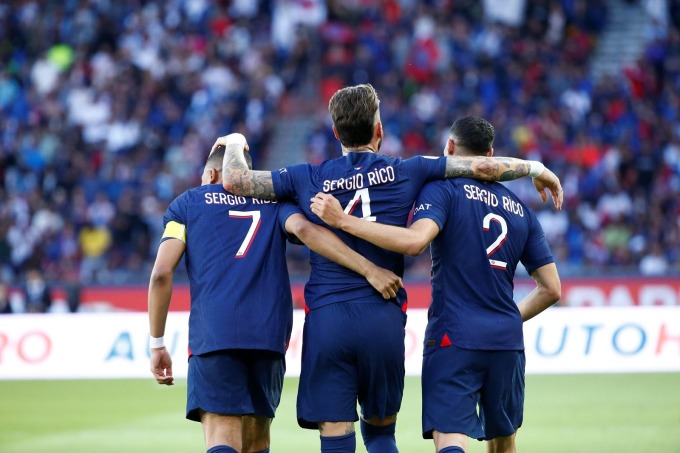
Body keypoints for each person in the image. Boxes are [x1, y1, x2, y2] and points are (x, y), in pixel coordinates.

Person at [215, 84, 562, 453]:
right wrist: (535, 168)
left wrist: (235, 142)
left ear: (335, 133)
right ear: (379, 130)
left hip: (329, 318)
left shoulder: (305, 177)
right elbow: (482, 167)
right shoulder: (408, 171)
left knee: (335, 433)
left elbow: (236, 181)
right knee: (381, 434)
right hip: (383, 317)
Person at [310, 116, 562, 453]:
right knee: (504, 443)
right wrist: (508, 318)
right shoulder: (521, 210)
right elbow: (551, 289)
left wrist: (344, 221)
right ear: (490, 154)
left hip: (453, 335)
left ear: (451, 148)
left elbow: (415, 241)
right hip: (506, 340)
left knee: (451, 437)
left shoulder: (442, 190)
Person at [148, 145, 402, 453]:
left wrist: (157, 343)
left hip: (214, 334)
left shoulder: (188, 203)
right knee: (257, 442)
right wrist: (368, 268)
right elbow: (306, 231)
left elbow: (161, 273)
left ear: (213, 173)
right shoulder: (274, 204)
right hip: (268, 338)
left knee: (221, 436)